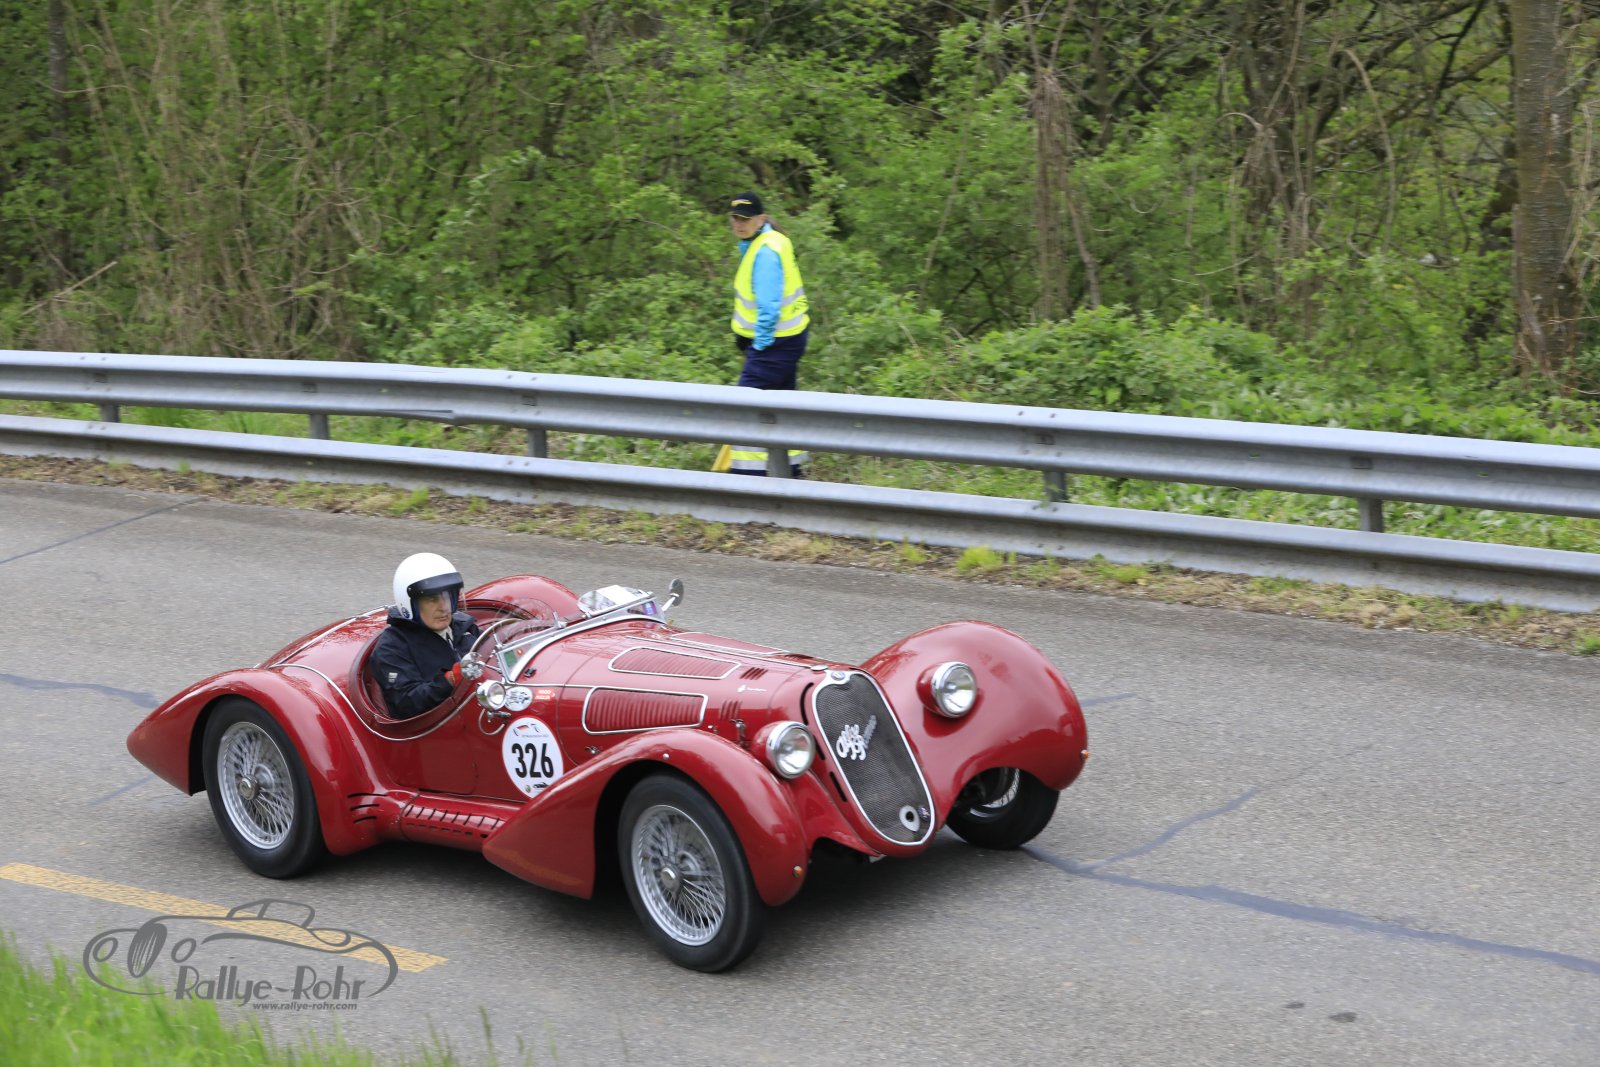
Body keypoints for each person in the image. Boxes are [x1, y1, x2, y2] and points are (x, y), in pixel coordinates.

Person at [726, 191, 809, 477]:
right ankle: (791, 472)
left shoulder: (765, 252)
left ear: (760, 219)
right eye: (736, 218)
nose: (740, 224)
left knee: (745, 408)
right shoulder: (769, 240)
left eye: (746, 219)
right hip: (789, 338)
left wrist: (759, 345)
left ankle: (747, 477)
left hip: (774, 344)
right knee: (782, 405)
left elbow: (769, 307)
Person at [370, 552, 482, 720]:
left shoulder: (465, 626)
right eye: (432, 599)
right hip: (437, 727)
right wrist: (451, 680)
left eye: (447, 597)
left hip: (483, 709)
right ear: (410, 604)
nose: (443, 607)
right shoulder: (393, 646)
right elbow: (406, 703)